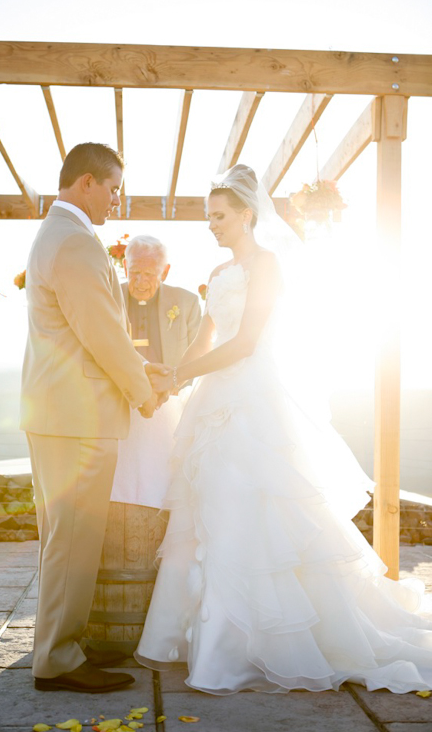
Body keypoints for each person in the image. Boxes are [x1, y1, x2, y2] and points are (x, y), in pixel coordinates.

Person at [134, 164, 432, 695]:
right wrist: (167, 378)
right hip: (213, 402)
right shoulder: (221, 272)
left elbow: (246, 341)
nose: (212, 225)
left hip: (254, 402)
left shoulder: (267, 267)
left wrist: (179, 375)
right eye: (208, 217)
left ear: (247, 214)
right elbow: (205, 339)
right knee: (202, 513)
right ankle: (199, 642)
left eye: (219, 216)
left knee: (248, 508)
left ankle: (246, 650)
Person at [20, 142, 167, 693]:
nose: (116, 200)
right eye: (113, 189)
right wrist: (144, 393)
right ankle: (57, 659)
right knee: (72, 541)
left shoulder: (57, 235)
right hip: (76, 418)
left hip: (60, 411)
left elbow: (89, 334)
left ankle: (61, 648)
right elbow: (102, 334)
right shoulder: (76, 242)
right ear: (86, 182)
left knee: (65, 539)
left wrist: (141, 368)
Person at [111, 235, 201, 508]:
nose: (139, 282)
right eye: (134, 272)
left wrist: (169, 387)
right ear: (124, 267)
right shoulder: (109, 298)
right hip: (121, 406)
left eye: (149, 274)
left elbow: (198, 357)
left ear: (165, 271)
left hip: (170, 408)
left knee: (166, 485)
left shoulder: (186, 302)